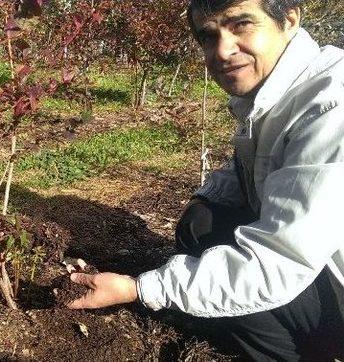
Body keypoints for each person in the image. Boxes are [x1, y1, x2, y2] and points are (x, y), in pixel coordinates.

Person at [67, 0, 344, 360]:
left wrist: (139, 288)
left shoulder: (329, 106)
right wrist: (205, 198)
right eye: (209, 36)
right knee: (200, 224)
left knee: (249, 294)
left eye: (241, 25)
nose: (223, 50)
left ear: (289, 19)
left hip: (330, 295)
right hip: (318, 258)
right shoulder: (276, 89)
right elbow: (254, 164)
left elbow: (276, 263)